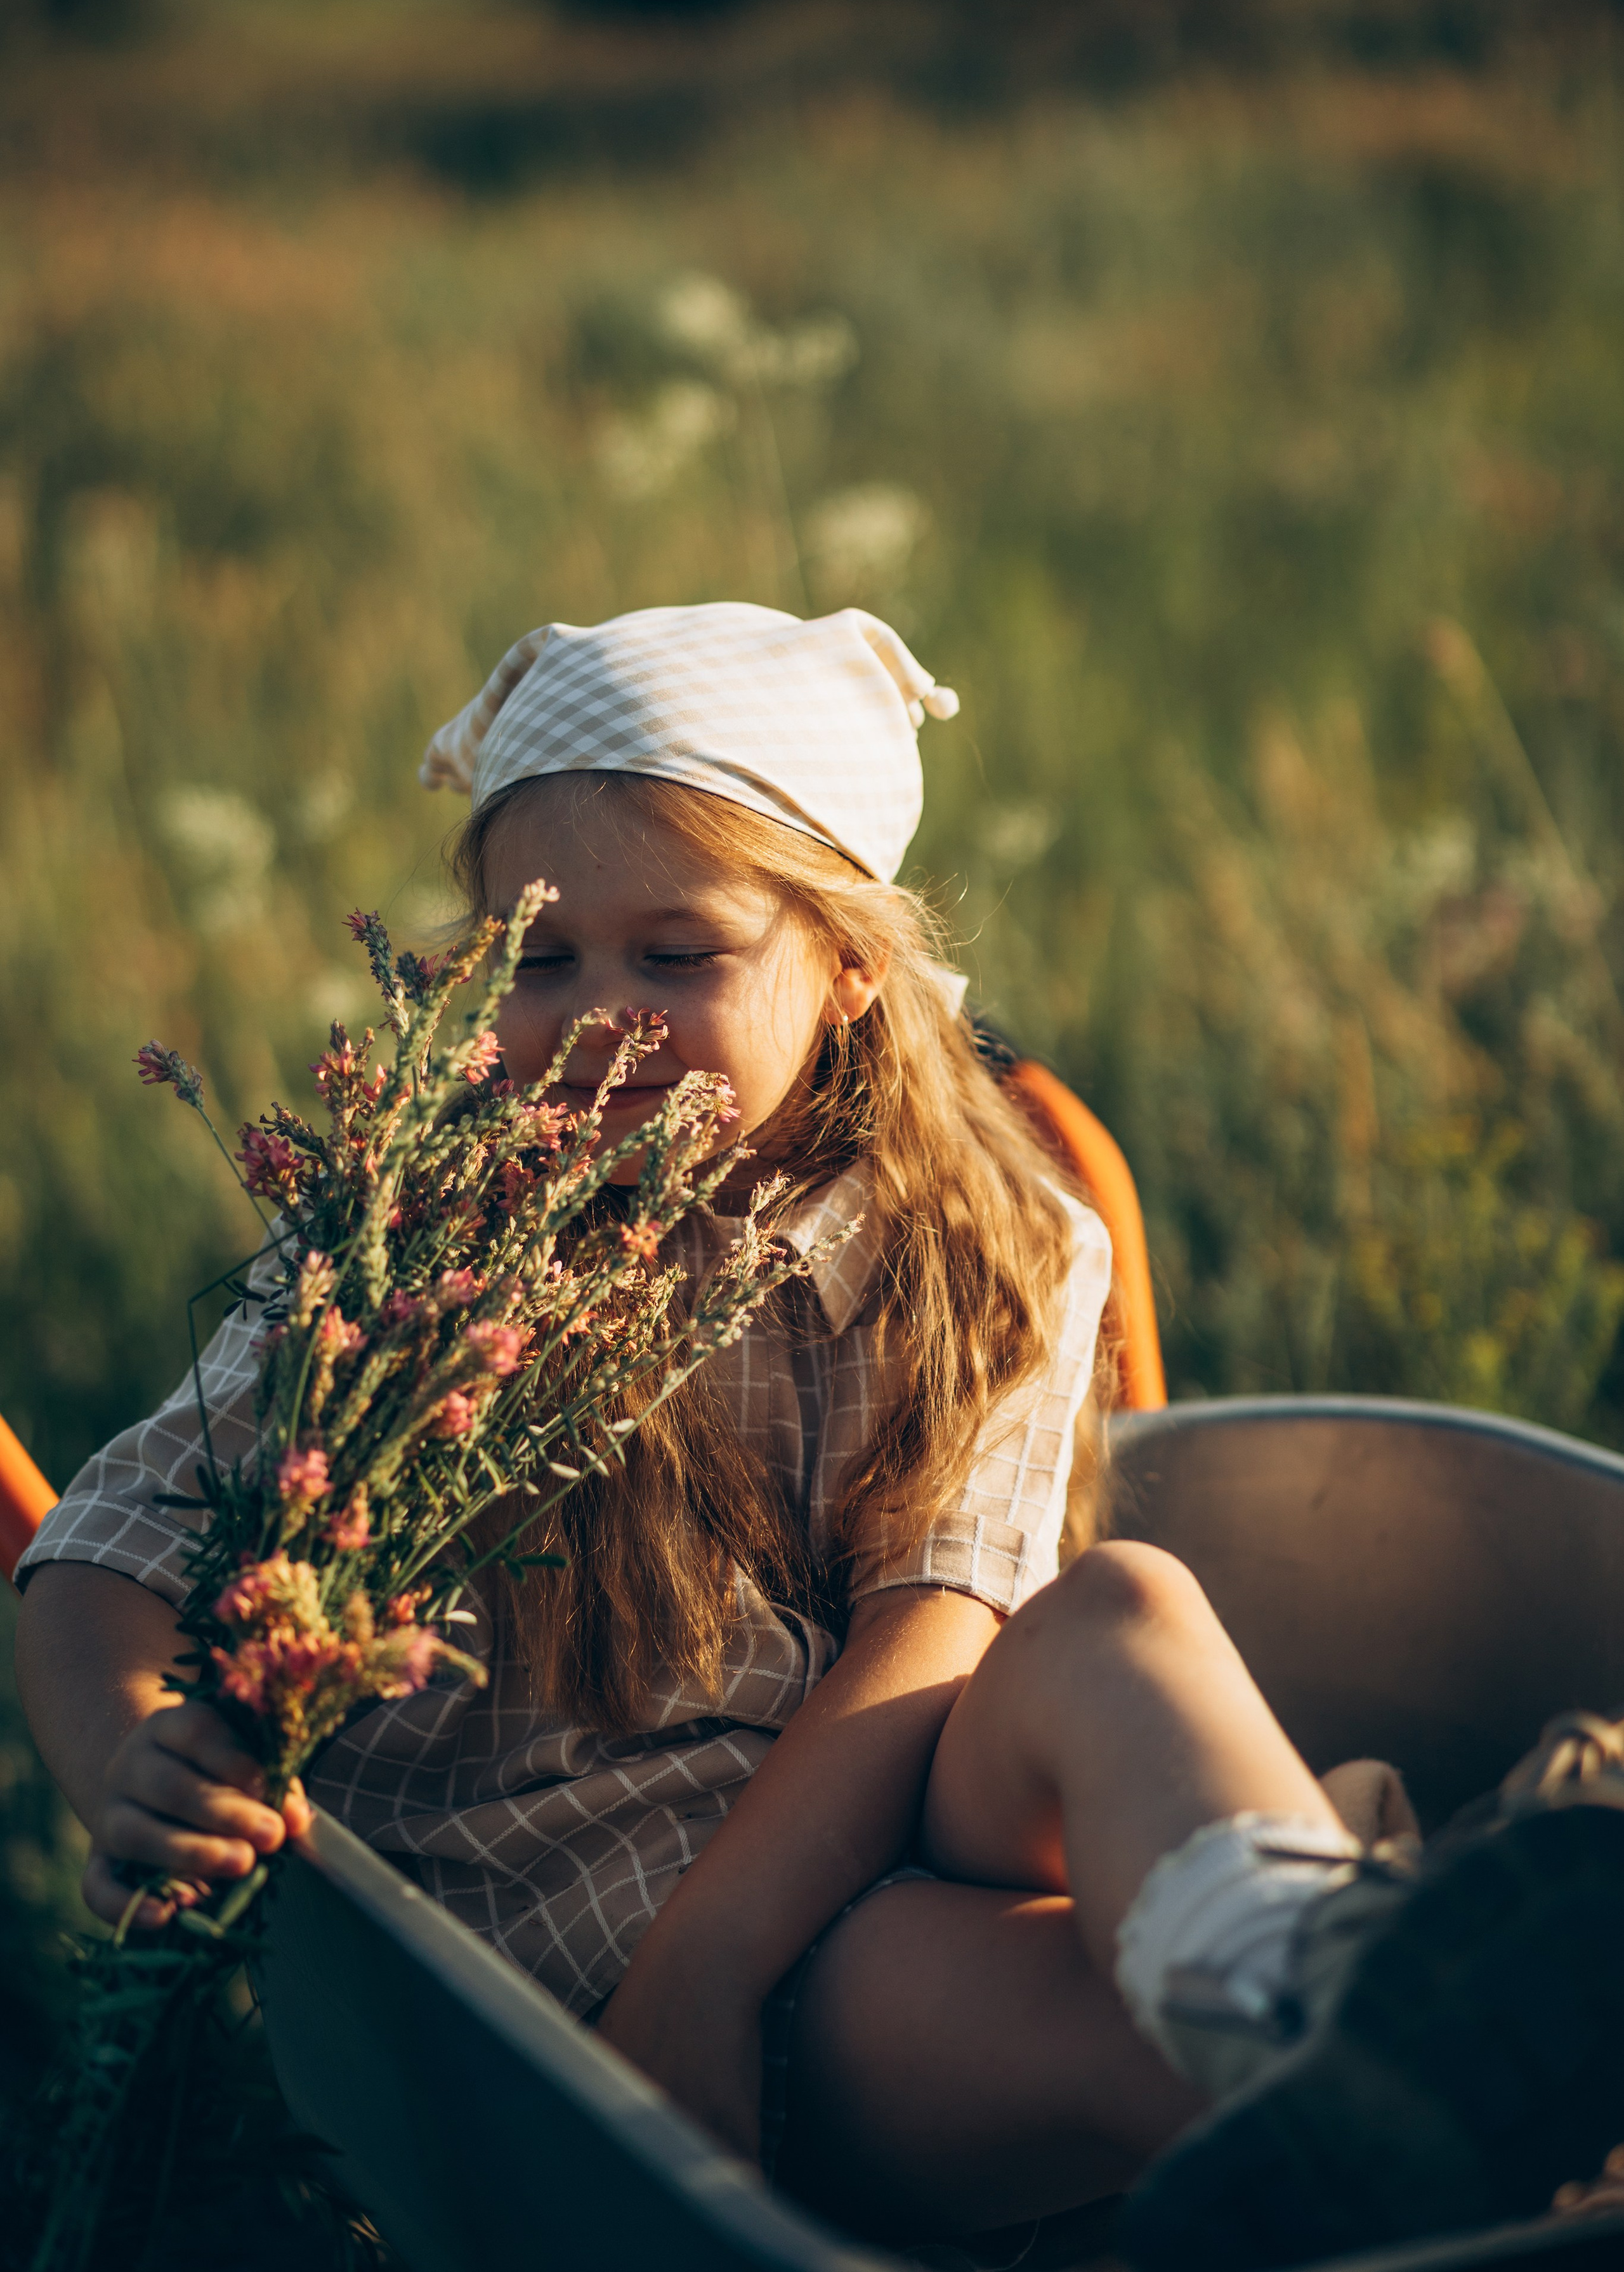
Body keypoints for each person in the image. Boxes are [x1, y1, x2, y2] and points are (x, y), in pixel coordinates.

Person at [15, 603, 1624, 2264]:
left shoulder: (980, 1227)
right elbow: (106, 1550)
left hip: (833, 1854)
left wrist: (720, 1956)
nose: (597, 1015)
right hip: (593, 1967)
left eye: (678, 956)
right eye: (541, 955)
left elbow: (935, 1632)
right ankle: (1405, 2036)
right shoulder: (415, 1243)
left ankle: (1325, 1967)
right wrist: (131, 1750)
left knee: (1123, 1607)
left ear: (853, 962)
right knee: (1150, 2065)